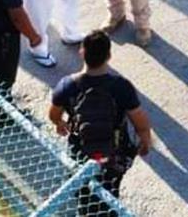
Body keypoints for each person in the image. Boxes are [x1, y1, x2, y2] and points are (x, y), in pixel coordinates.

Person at [49, 30, 152, 215]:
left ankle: (86, 207)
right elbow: (139, 120)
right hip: (113, 152)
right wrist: (145, 140)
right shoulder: (121, 86)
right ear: (109, 56)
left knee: (83, 186)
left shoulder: (68, 85)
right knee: (109, 187)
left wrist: (60, 123)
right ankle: (107, 208)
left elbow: (54, 113)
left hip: (82, 149)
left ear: (82, 52)